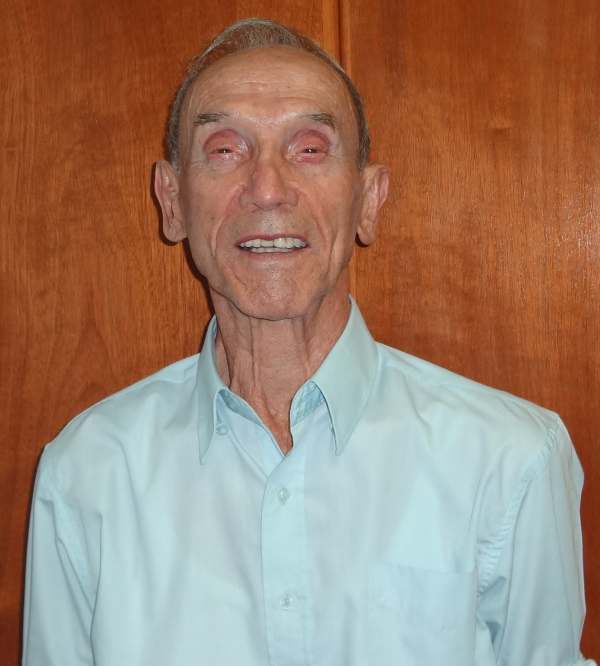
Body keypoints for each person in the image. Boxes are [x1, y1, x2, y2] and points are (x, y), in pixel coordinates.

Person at [23, 18, 595, 666]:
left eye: (310, 148)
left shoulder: (510, 461)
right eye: (225, 150)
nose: (267, 189)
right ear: (173, 199)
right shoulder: (88, 473)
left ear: (368, 200)